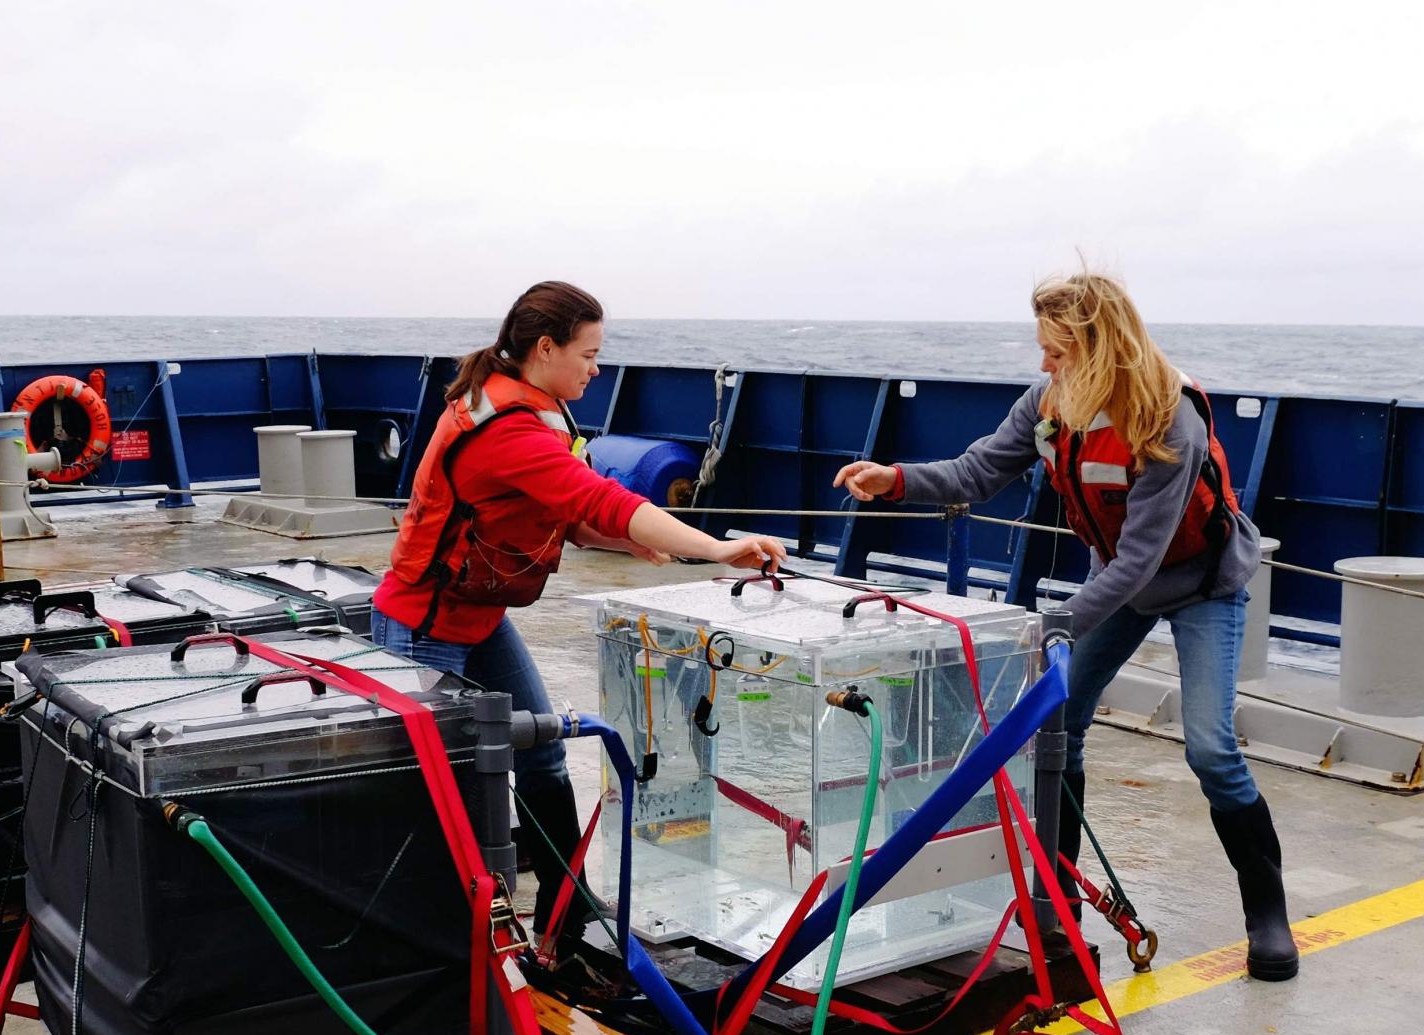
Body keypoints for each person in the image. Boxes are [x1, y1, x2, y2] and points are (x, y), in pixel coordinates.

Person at [833, 271, 1297, 981]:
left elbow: (1141, 560)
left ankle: (1267, 915)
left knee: (1209, 749)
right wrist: (894, 479)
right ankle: (1057, 911)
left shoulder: (1171, 422)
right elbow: (974, 472)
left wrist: (1059, 623)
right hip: (1121, 585)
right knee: (1059, 720)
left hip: (1202, 587)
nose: (1043, 363)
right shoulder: (1050, 405)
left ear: (1100, 348)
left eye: (1056, 350)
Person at [373, 280, 786, 944]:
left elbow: (575, 516)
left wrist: (629, 541)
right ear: (545, 349)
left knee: (544, 756)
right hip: (424, 628)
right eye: (588, 354)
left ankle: (567, 916)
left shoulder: (539, 409)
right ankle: (451, 936)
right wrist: (714, 548)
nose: (597, 369)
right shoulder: (508, 428)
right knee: (444, 793)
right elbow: (599, 499)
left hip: (481, 616)